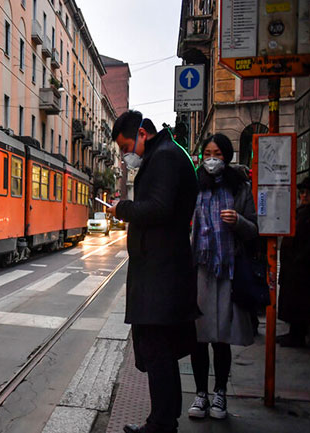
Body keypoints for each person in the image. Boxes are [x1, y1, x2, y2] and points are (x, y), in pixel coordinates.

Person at [106, 110, 199, 433]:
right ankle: (163, 419)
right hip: (160, 271)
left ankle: (161, 423)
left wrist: (123, 209)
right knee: (160, 351)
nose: (125, 154)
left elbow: (159, 208)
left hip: (162, 275)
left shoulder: (165, 158)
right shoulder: (164, 155)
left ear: (143, 134)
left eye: (126, 145)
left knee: (158, 351)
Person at [187, 134, 257, 421]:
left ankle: (220, 394)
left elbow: (255, 229)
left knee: (222, 338)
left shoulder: (240, 186)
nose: (211, 158)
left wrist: (238, 221)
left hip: (227, 269)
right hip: (201, 269)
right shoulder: (194, 186)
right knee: (198, 337)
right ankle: (200, 394)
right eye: (207, 153)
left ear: (226, 156)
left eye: (216, 153)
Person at [277, 176, 310, 347]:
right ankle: (294, 333)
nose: (303, 196)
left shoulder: (306, 214)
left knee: (298, 303)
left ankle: (297, 335)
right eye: (302, 193)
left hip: (301, 267)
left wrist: (299, 260)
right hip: (294, 265)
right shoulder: (301, 212)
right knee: (293, 301)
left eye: (306, 193)